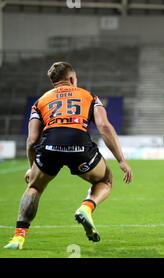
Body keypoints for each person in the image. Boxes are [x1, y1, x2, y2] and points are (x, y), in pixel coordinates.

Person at [4, 62, 132, 250]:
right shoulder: (89, 96)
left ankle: (18, 238)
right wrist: (121, 160)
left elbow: (32, 140)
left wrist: (32, 168)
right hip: (79, 145)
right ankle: (87, 207)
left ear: (53, 81)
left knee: (35, 188)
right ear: (72, 79)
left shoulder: (40, 102)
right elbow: (104, 127)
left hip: (49, 146)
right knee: (105, 180)